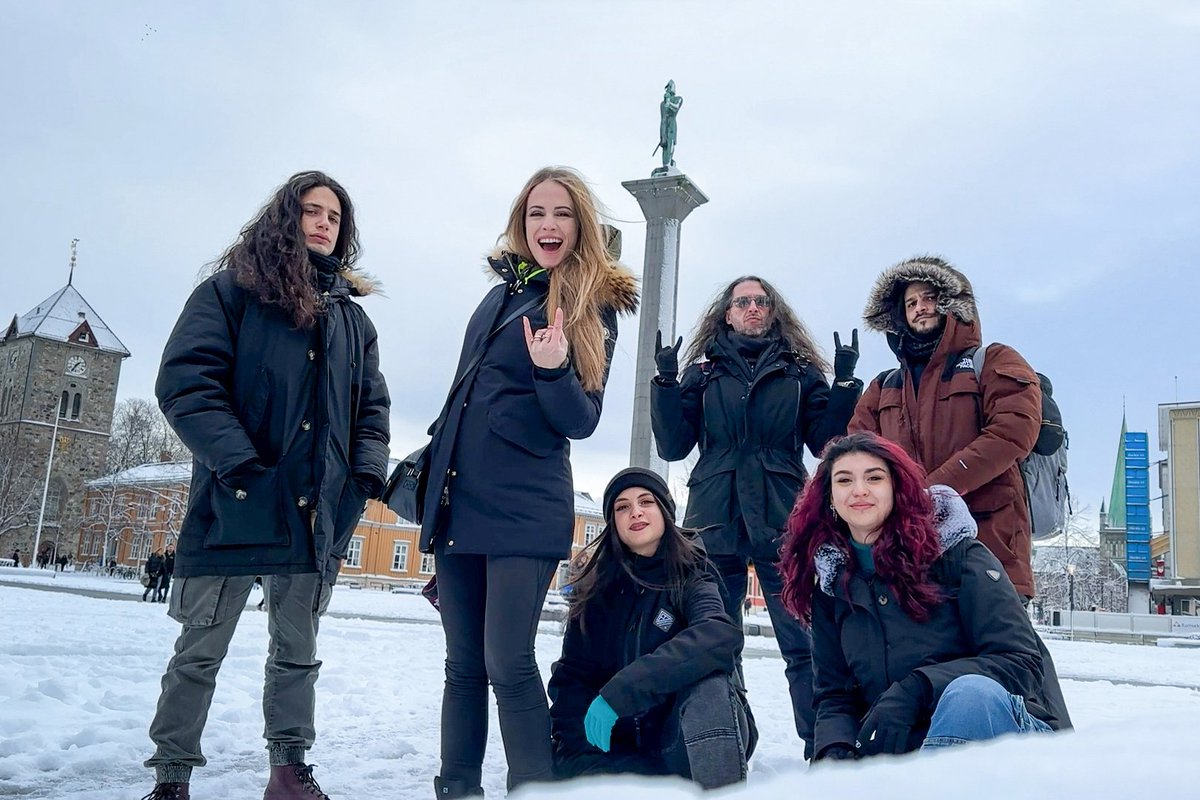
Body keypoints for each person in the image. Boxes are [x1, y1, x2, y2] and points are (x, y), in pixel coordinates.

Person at [141, 171, 390, 800]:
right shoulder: (229, 295)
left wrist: (361, 477)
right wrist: (242, 464)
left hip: (314, 516)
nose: (323, 224)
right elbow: (186, 383)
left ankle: (288, 770)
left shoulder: (353, 322)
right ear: (285, 217)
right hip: (237, 502)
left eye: (335, 217)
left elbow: (373, 408)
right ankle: (172, 776)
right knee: (198, 652)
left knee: (297, 655)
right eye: (311, 211)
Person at [419, 166, 638, 798]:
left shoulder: (589, 301)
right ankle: (456, 788)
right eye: (536, 213)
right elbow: (464, 397)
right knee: (462, 667)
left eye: (562, 214)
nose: (548, 225)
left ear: (581, 227)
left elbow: (582, 418)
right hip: (461, 501)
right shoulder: (498, 296)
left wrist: (552, 368)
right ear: (521, 223)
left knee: (506, 663)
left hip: (525, 508)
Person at [650, 275, 861, 758]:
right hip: (714, 519)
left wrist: (845, 384)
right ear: (726, 313)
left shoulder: (799, 372)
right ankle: (725, 743)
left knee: (802, 643)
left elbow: (824, 443)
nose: (751, 308)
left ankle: (824, 745)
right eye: (741, 301)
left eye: (760, 301)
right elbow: (673, 444)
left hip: (782, 520)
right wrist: (665, 384)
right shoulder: (702, 373)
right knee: (714, 642)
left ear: (773, 311)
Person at [779, 432, 1072, 762]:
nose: (859, 490)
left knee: (970, 695)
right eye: (844, 480)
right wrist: (835, 751)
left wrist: (917, 689)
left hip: (1009, 738)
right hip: (904, 751)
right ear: (830, 497)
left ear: (896, 487)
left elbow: (1021, 663)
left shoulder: (956, 555)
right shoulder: (832, 586)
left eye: (874, 478)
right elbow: (833, 695)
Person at [848, 256, 1042, 598]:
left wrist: (932, 490)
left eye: (929, 298)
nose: (920, 308)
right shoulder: (884, 386)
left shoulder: (994, 361)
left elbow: (1012, 433)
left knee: (1001, 650)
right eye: (910, 303)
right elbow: (856, 452)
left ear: (952, 303)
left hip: (988, 542)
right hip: (908, 552)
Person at [548, 467, 754, 790]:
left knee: (710, 685)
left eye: (646, 501)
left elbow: (718, 635)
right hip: (622, 751)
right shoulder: (595, 593)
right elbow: (571, 685)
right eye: (622, 507)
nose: (636, 512)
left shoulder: (693, 576)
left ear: (664, 511)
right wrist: (599, 767)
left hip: (686, 741)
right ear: (613, 523)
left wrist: (622, 691)